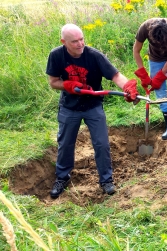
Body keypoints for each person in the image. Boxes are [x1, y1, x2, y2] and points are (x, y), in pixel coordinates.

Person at [46, 23, 139, 199]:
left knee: (101, 144)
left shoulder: (94, 56)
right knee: (65, 144)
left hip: (93, 106)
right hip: (69, 107)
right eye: (74, 41)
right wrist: (67, 85)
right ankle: (62, 178)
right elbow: (53, 82)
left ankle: (106, 180)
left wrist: (127, 87)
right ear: (63, 41)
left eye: (82, 39)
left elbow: (115, 76)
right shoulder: (56, 55)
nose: (80, 44)